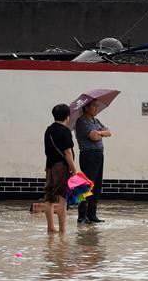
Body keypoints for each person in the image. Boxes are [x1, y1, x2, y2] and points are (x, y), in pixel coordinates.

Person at [75, 100, 112, 224]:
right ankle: (82, 215)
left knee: (96, 185)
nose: (96, 108)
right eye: (94, 106)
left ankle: (92, 214)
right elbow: (93, 137)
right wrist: (101, 133)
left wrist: (100, 132)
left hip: (98, 155)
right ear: (86, 107)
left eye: (97, 105)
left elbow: (109, 132)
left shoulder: (96, 121)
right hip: (88, 155)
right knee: (86, 185)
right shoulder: (81, 121)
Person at [43, 103, 76, 234]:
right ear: (67, 117)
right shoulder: (65, 131)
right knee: (63, 198)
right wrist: (74, 169)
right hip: (62, 167)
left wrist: (47, 167)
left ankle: (50, 227)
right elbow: (67, 152)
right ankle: (62, 229)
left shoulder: (48, 130)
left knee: (49, 198)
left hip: (50, 166)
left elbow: (47, 150)